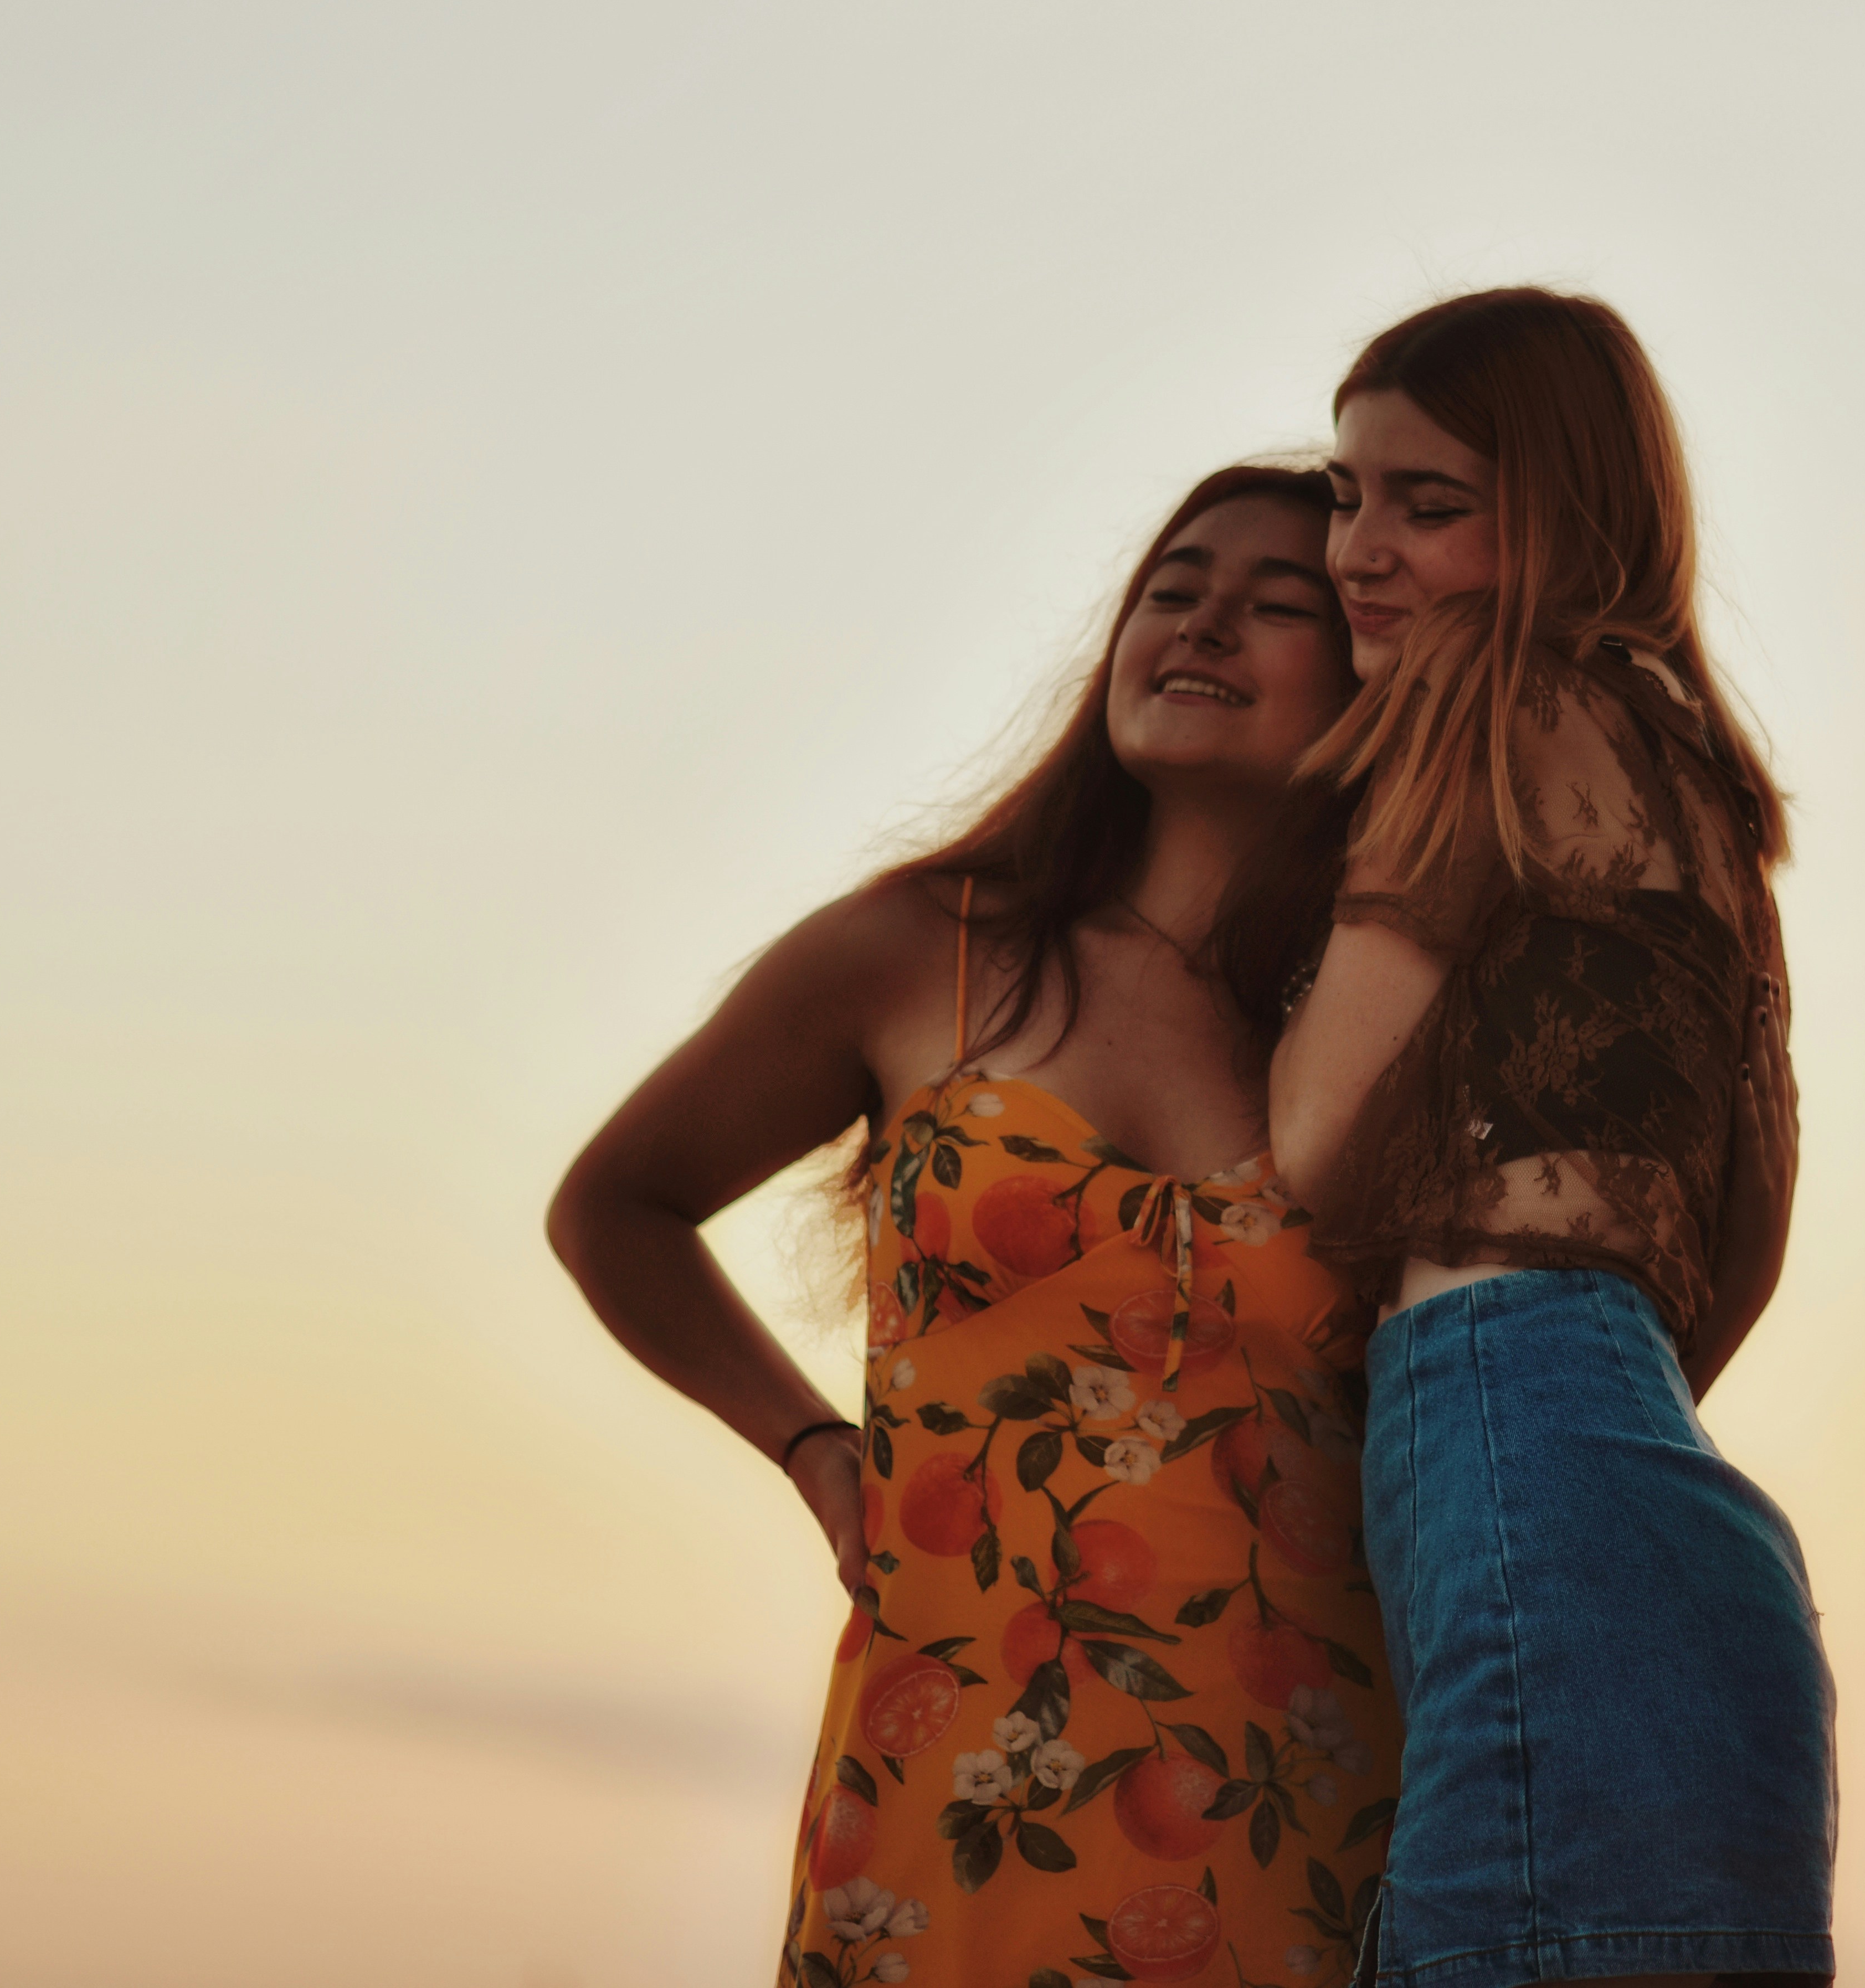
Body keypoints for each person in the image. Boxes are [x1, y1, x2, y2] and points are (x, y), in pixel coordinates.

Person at [548, 465, 1402, 1988]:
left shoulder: (1383, 1020)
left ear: (1367, 680)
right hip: (956, 1792)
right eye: (1173, 584)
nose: (1205, 617)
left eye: (1280, 604)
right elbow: (614, 1205)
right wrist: (819, 1456)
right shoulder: (923, 951)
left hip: (1306, 1807)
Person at [1269, 290, 1830, 1988]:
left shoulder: (1485, 697)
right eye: (1345, 495)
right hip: (1653, 1476)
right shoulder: (1705, 795)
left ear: (1572, 521)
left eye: (1429, 506)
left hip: (1508, 1419)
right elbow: (1749, 1241)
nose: (1359, 553)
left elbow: (1307, 1134)